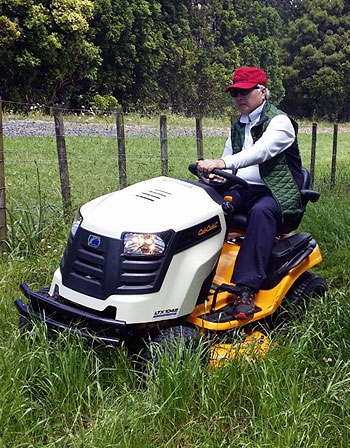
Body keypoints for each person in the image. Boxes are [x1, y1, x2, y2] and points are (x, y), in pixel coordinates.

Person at [197, 66, 303, 320]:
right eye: (235, 93)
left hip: (275, 191)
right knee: (208, 205)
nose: (239, 97)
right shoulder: (238, 125)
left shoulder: (280, 122)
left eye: (245, 91)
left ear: (263, 92)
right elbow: (228, 158)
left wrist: (223, 164)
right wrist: (216, 174)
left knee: (261, 211)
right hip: (242, 186)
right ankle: (198, 277)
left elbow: (261, 152)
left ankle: (246, 290)